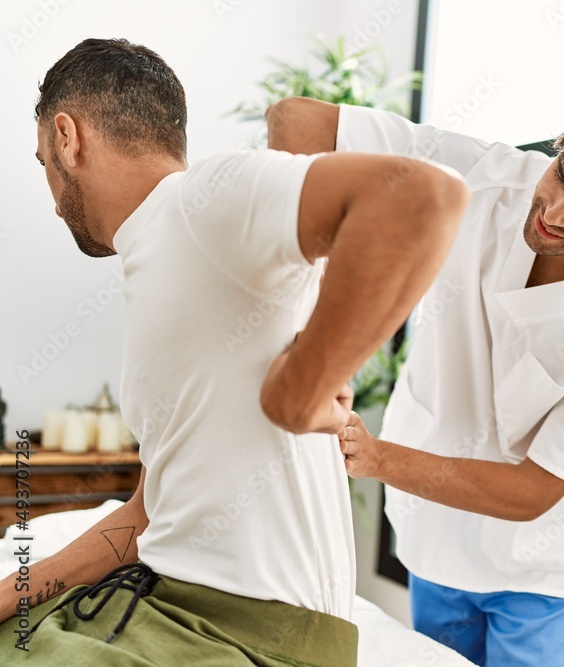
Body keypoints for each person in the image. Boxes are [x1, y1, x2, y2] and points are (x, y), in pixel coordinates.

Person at [0, 38, 468, 666]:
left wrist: (304, 388)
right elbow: (146, 515)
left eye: (43, 164)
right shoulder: (160, 249)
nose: (54, 202)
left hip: (255, 638)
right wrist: (12, 594)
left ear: (67, 137)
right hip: (169, 601)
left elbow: (420, 197)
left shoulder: (203, 197)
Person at [266, 73, 564, 667]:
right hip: (431, 539)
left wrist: (374, 458)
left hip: (536, 572)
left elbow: (534, 490)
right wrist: (314, 323)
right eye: (562, 176)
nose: (554, 212)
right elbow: (297, 120)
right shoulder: (487, 175)